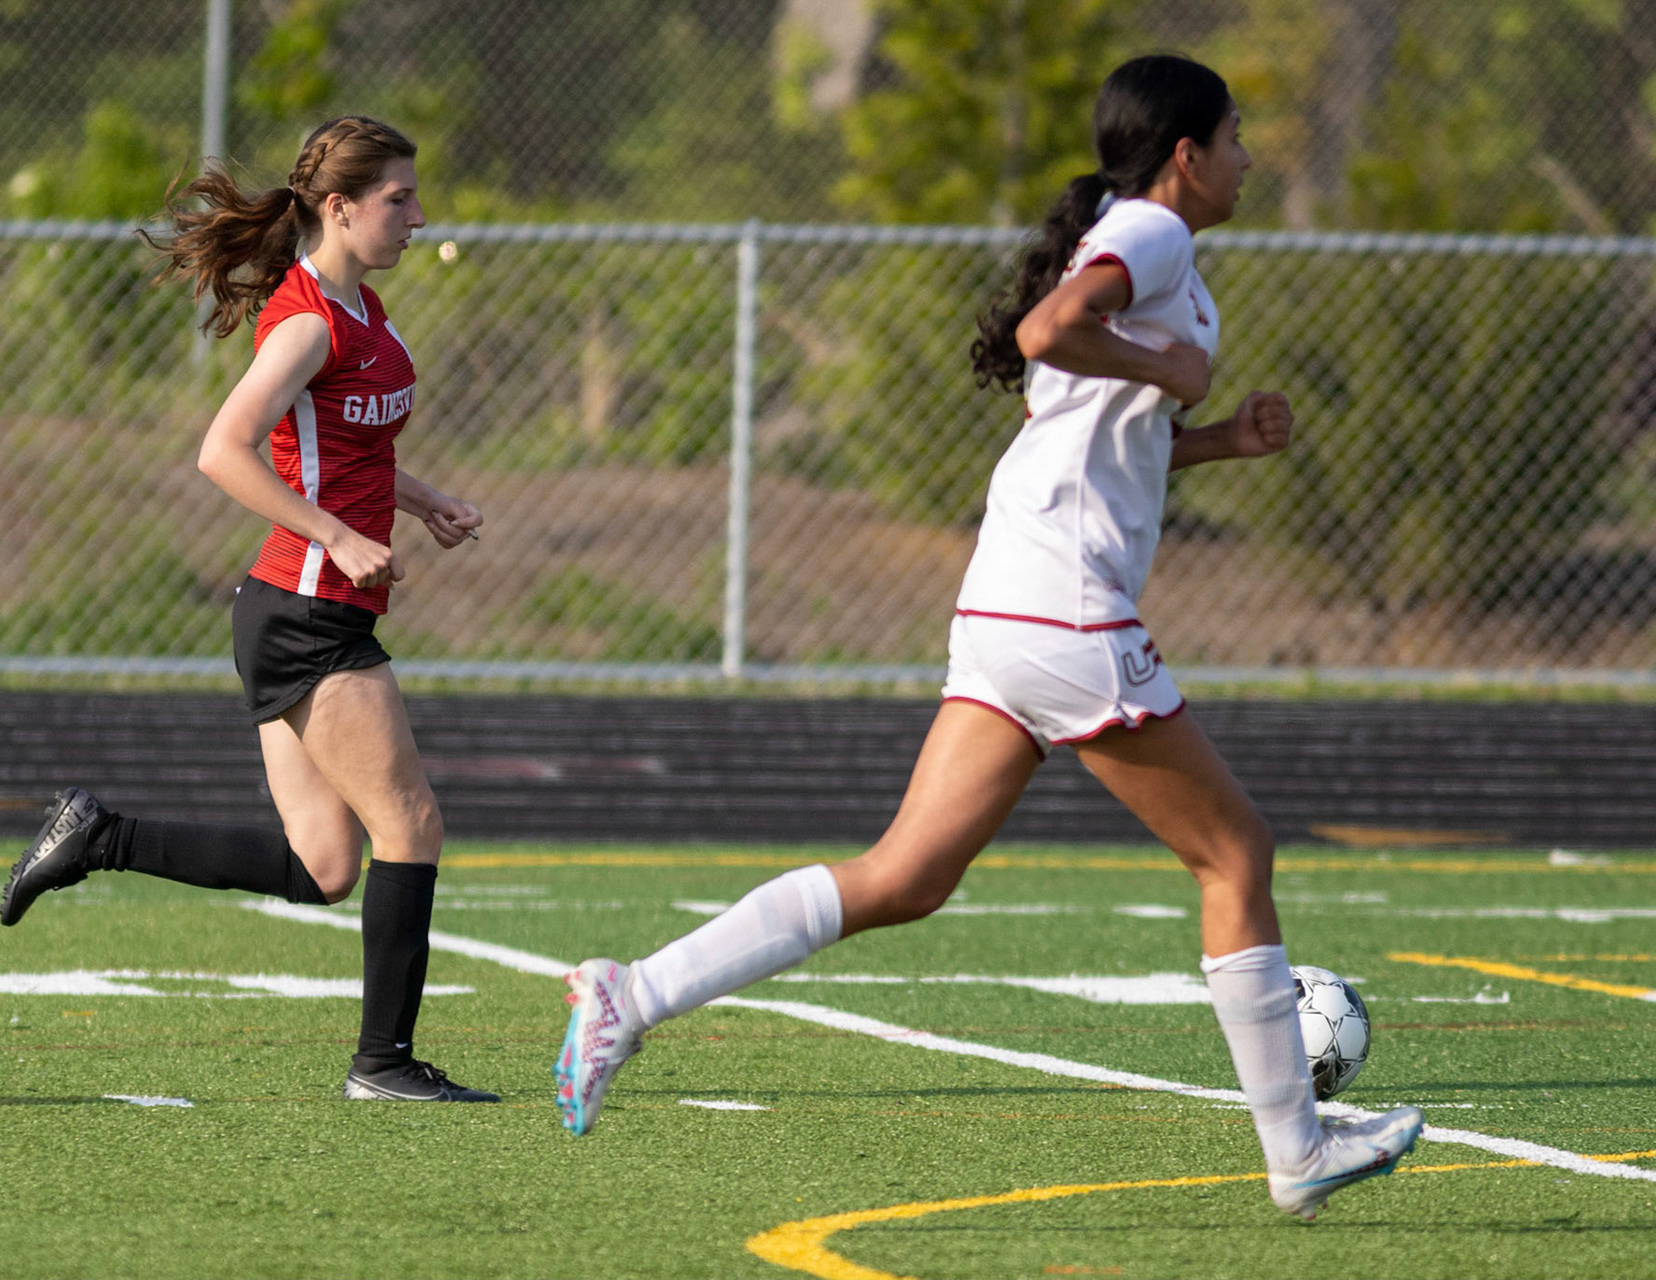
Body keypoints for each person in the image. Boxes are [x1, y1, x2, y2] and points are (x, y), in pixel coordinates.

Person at [552, 56, 1421, 1218]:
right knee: (1236, 855)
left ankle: (632, 991)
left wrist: (1217, 439)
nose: (1250, 157)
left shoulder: (1133, 238)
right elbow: (1049, 331)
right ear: (1186, 154)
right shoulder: (1155, 233)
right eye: (1236, 136)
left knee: (905, 876)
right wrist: (1169, 366)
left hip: (1012, 597)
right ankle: (1297, 1150)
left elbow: (1083, 424)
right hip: (1065, 604)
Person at [0, 116, 497, 1104]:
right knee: (412, 825)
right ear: (340, 207)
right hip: (309, 612)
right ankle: (384, 1064)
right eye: (398, 198)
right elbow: (223, 451)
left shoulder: (364, 307)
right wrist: (336, 535)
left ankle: (98, 836)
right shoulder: (309, 321)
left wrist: (422, 500)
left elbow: (346, 448)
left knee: (324, 865)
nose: (417, 216)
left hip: (291, 609)